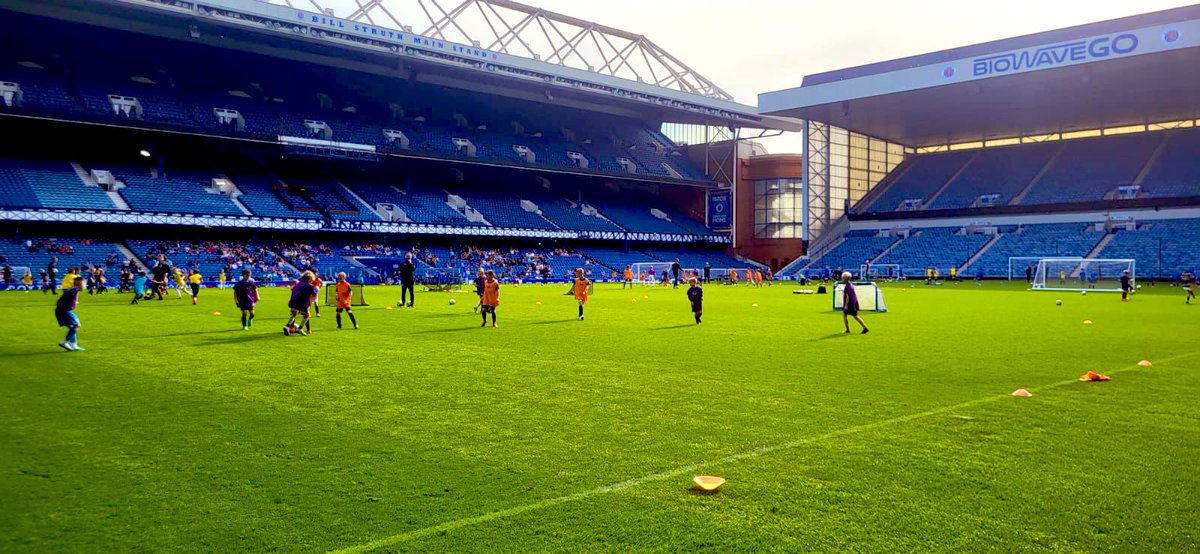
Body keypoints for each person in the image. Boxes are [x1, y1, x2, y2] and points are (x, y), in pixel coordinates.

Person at [284, 271, 319, 336]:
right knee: (307, 315)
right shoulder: (309, 286)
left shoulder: (298, 284)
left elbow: (292, 290)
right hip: (302, 303)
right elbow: (314, 294)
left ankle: (287, 326)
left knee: (294, 313)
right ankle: (299, 328)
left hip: (293, 301)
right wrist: (316, 290)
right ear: (310, 278)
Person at [56, 275, 85, 351]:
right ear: (80, 283)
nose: (85, 285)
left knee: (72, 326)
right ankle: (65, 342)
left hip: (61, 310)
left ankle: (74, 345)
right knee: (76, 325)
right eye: (84, 283)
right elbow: (61, 301)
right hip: (65, 311)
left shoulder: (74, 290)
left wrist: (74, 303)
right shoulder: (73, 291)